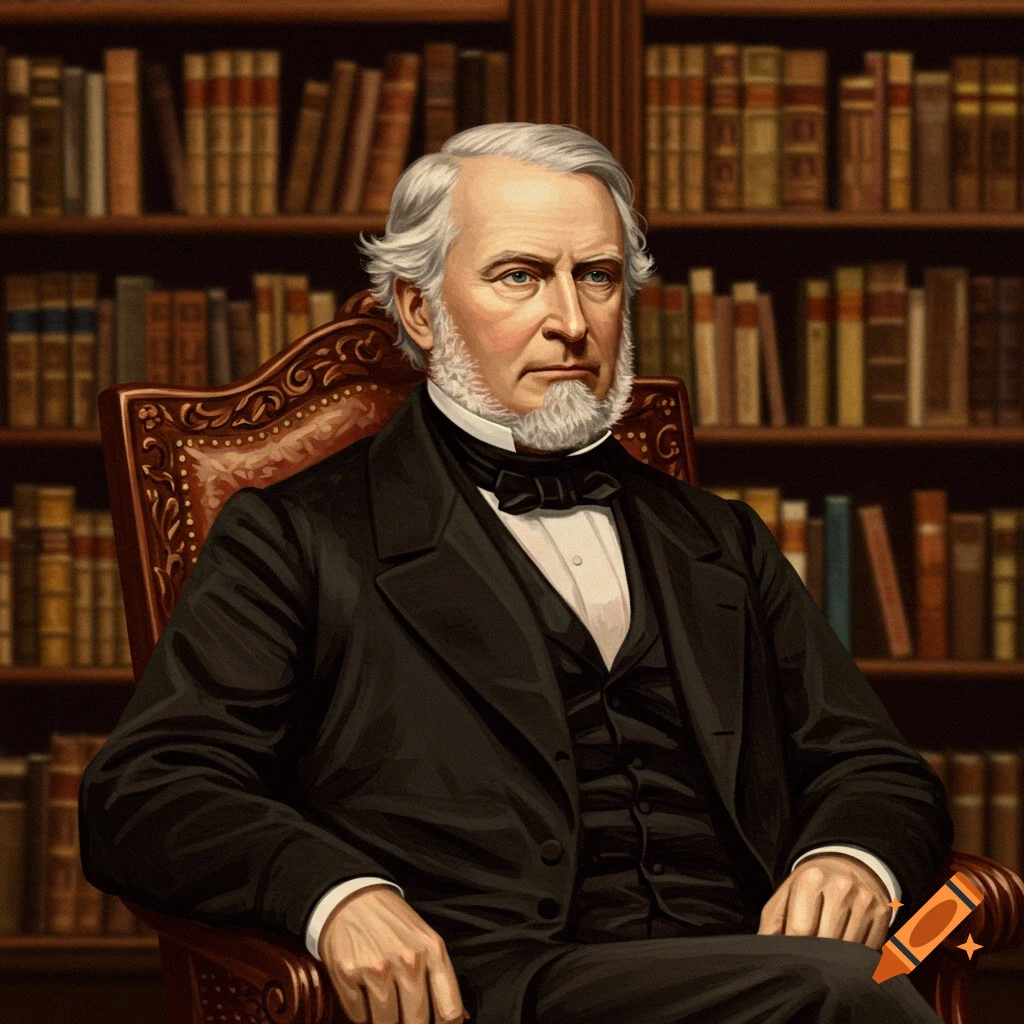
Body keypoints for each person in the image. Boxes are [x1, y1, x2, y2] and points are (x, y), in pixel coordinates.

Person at [80, 123, 952, 1024]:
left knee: (833, 983)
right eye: (520, 276)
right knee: (845, 992)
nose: (571, 321)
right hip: (494, 988)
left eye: (597, 277)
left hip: (745, 961)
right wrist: (334, 895)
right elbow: (146, 791)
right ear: (421, 309)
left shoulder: (718, 536)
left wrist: (851, 856)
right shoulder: (301, 535)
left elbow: (874, 766)